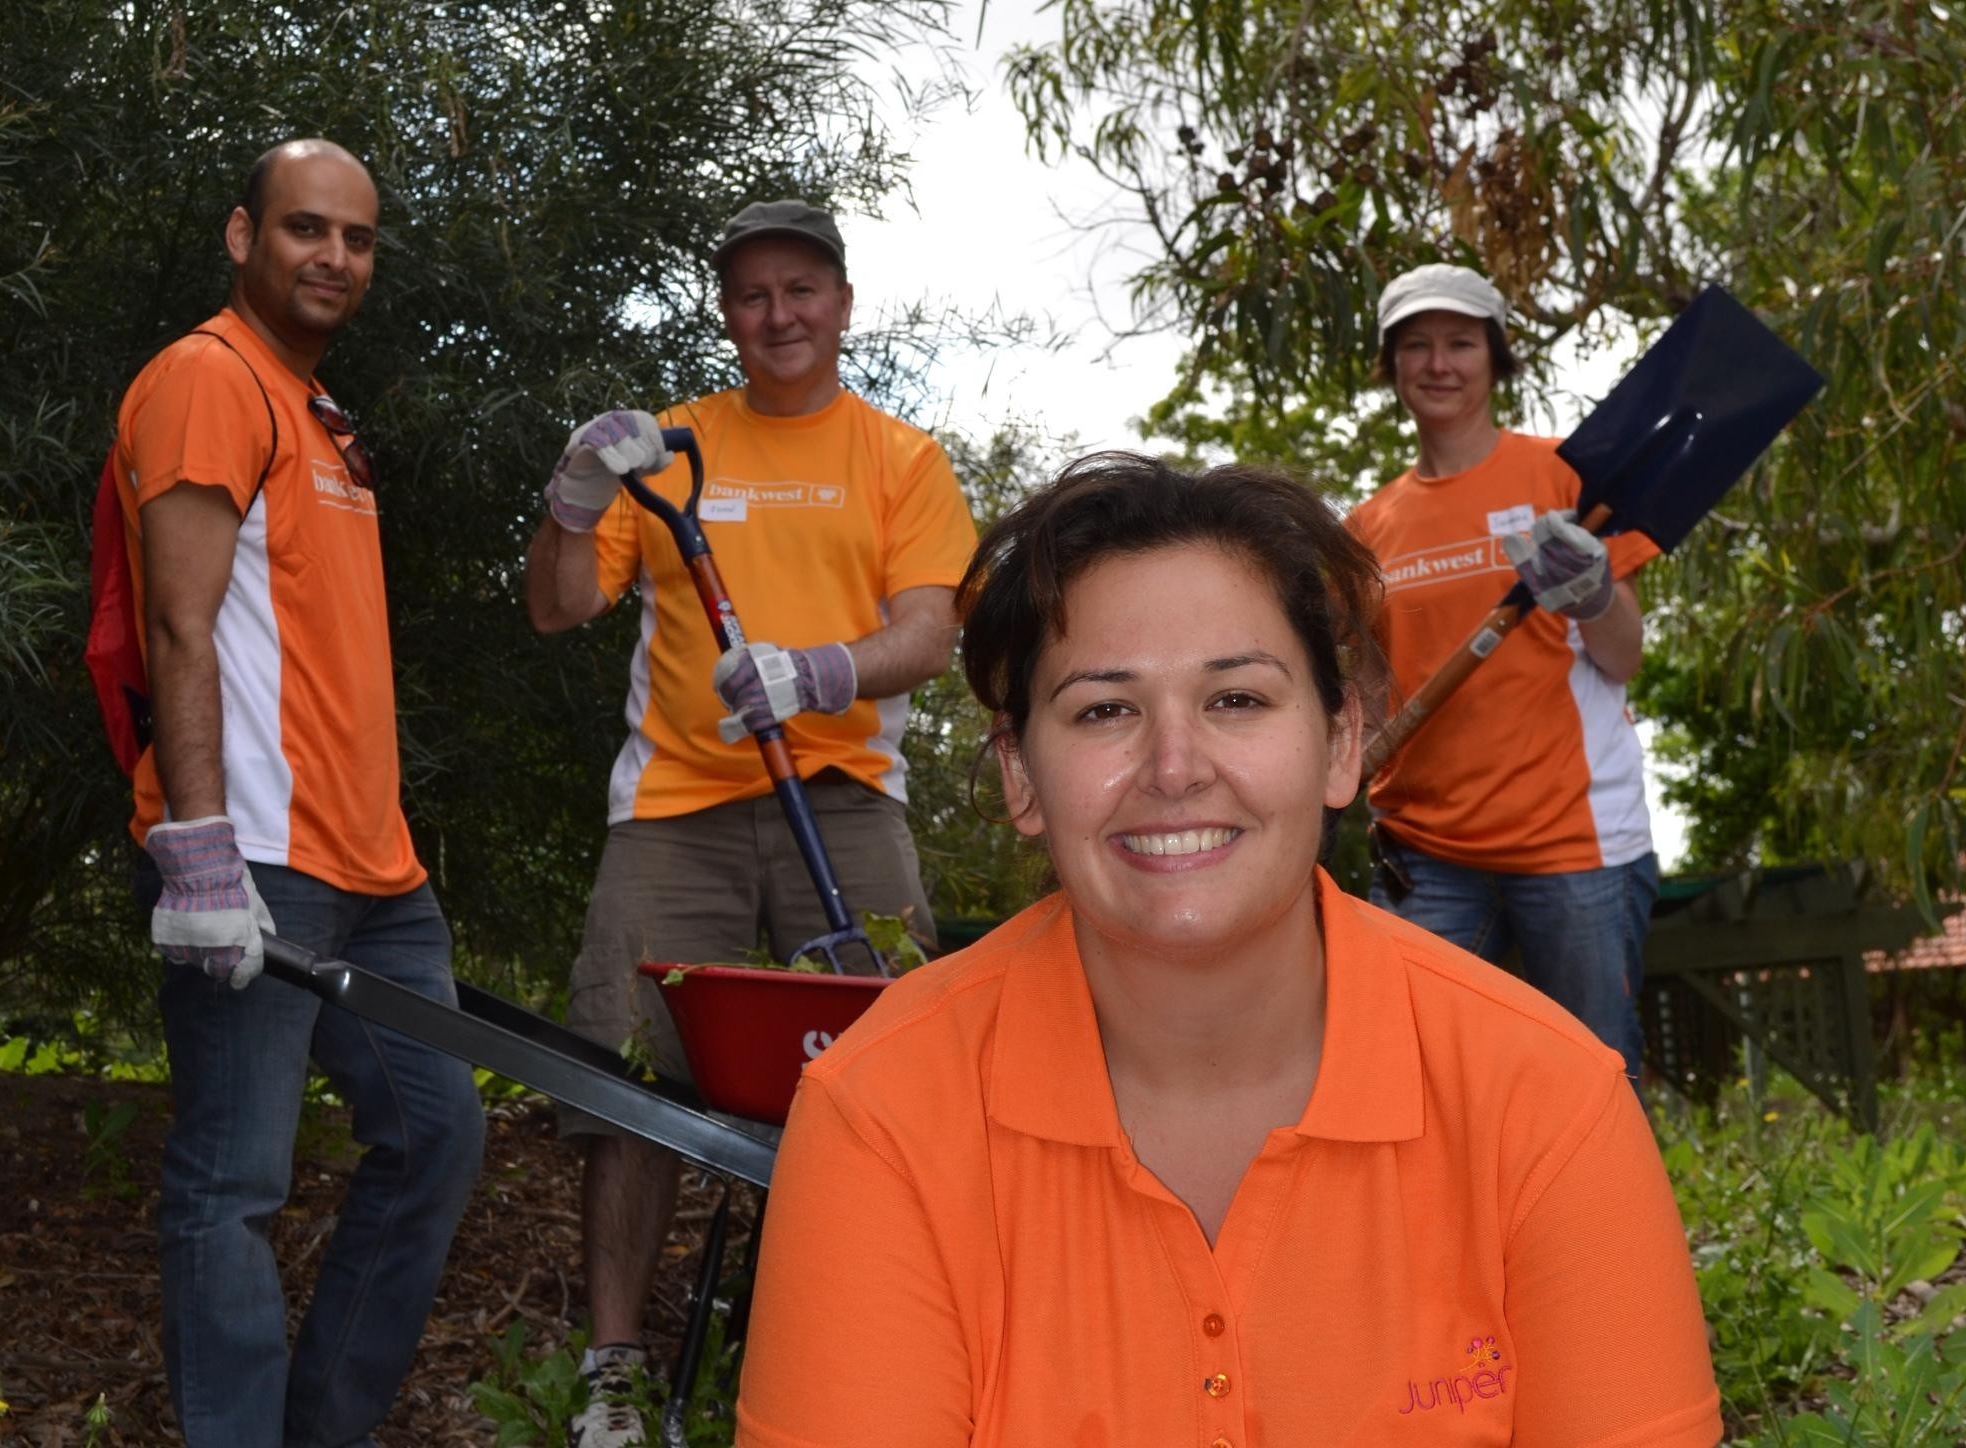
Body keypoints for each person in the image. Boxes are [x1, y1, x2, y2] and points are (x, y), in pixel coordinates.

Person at [734, 454, 1721, 1445]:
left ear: (1340, 743)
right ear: (1020, 776)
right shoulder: (882, 1110)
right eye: (1103, 709)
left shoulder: (1544, 1104)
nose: (1174, 767)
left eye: (1237, 699)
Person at [523, 198, 977, 1444]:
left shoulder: (901, 457)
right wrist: (570, 503)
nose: (777, 315)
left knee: (897, 1066)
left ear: (841, 302)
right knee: (626, 1071)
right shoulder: (665, 452)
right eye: (751, 295)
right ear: (726, 314)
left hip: (843, 800)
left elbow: (929, 629)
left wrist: (818, 672)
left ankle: (887, 1339)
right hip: (676, 801)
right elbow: (560, 608)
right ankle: (613, 1371)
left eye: (799, 290)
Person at [114, 138, 485, 1448]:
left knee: (438, 1137)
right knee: (232, 1186)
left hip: (376, 875)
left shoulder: (321, 415)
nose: (333, 257)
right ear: (242, 236)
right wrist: (201, 853)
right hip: (256, 864)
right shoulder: (210, 381)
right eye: (304, 228)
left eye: (358, 239)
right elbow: (180, 623)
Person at [1346, 262, 1660, 1080]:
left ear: (1496, 358)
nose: (1439, 364)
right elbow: (1373, 691)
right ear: (1392, 365)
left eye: (1460, 343)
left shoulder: (1562, 474)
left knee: (1595, 1082)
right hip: (1424, 854)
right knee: (1418, 1080)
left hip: (1571, 844)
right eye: (1416, 346)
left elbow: (1623, 657)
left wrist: (1592, 593)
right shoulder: (1367, 529)